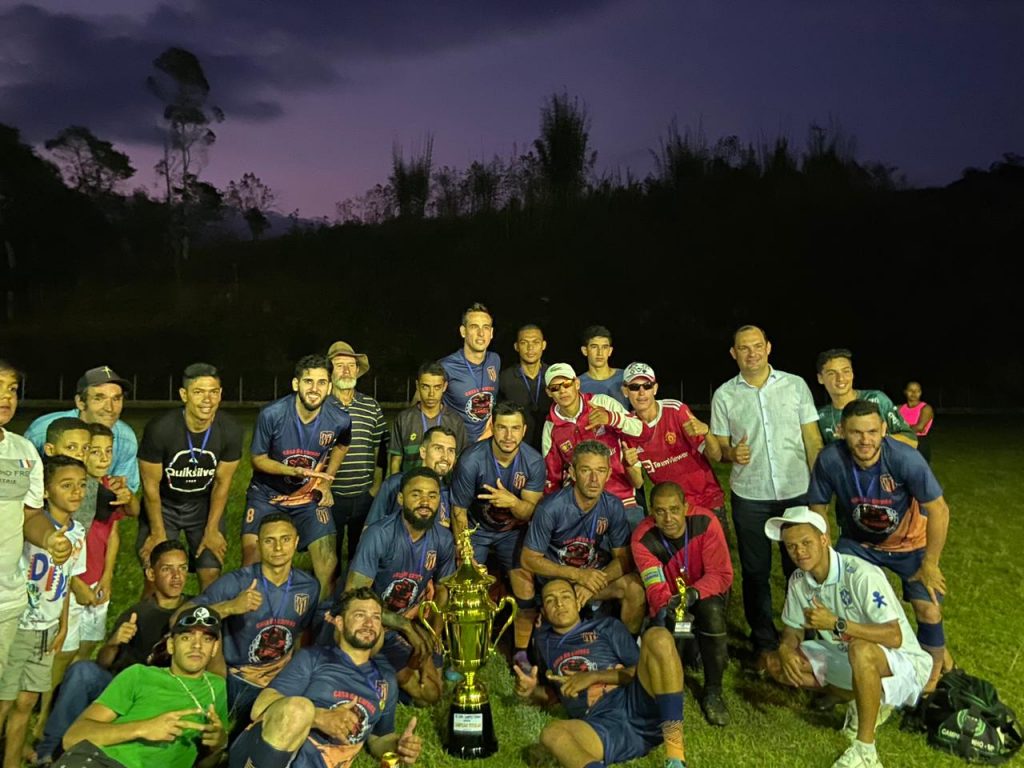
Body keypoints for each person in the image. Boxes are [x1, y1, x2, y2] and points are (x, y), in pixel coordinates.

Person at [762, 507, 932, 768]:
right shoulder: (798, 580)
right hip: (848, 656)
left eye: (806, 543)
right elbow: (793, 629)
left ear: (823, 539)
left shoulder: (861, 574)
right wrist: (786, 648)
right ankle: (864, 700)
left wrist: (836, 623)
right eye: (791, 546)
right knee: (777, 664)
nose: (799, 552)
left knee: (860, 650)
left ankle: (866, 752)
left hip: (903, 665)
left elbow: (894, 636)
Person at [807, 399, 952, 691]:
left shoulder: (905, 458)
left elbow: (939, 509)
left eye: (872, 431)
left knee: (929, 611)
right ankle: (851, 671)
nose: (865, 440)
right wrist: (824, 551)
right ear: (841, 431)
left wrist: (930, 563)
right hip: (858, 544)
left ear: (884, 429)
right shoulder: (830, 459)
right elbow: (817, 507)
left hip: (909, 545)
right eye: (856, 432)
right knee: (842, 602)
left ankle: (932, 679)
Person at [710, 324, 823, 666]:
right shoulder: (724, 395)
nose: (752, 353)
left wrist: (819, 492)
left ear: (768, 347)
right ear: (734, 353)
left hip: (796, 492)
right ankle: (764, 642)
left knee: (801, 568)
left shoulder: (795, 385)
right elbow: (719, 446)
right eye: (744, 348)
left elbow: (813, 440)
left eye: (757, 346)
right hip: (751, 496)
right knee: (756, 572)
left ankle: (806, 635)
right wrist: (731, 454)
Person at [34, 540, 192, 765]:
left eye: (182, 568)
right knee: (82, 671)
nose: (177, 576)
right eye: (167, 569)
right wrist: (114, 643)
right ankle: (50, 751)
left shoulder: (195, 611)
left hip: (161, 695)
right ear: (151, 574)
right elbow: (104, 662)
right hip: (124, 690)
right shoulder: (137, 613)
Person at [228, 587, 422, 768]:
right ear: (340, 623)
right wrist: (319, 717)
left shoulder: (385, 680)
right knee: (299, 708)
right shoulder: (313, 658)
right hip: (266, 757)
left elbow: (379, 739)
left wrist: (398, 745)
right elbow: (260, 707)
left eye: (376, 617)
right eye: (360, 615)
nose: (369, 623)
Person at [514, 578, 686, 768]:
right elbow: (553, 695)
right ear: (544, 612)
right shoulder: (543, 644)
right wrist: (532, 691)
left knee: (658, 637)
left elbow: (642, 671)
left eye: (565, 596)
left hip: (635, 703)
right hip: (599, 724)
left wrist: (593, 676)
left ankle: (676, 757)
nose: (559, 603)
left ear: (578, 603)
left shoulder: (607, 627)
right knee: (551, 734)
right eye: (550, 600)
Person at [182, 513, 320, 731]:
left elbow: (304, 634)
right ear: (258, 544)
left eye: (285, 539)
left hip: (279, 678)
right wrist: (229, 607)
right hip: (238, 677)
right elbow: (180, 617)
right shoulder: (237, 582)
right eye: (269, 540)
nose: (278, 548)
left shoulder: (309, 587)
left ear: (296, 542)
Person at [56, 605, 229, 768]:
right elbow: (73, 737)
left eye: (207, 639)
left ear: (215, 648)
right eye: (186, 637)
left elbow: (205, 762)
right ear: (171, 645)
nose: (197, 645)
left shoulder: (217, 688)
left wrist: (219, 745)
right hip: (100, 761)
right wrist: (143, 728)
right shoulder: (139, 675)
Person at [0, 456, 88, 768]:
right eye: (67, 485)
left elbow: (66, 581)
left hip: (47, 631)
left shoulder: (78, 532)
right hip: (20, 626)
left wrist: (62, 625)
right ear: (46, 491)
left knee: (27, 701)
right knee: (4, 701)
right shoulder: (30, 527)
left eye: (82, 485)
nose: (77, 492)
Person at [243, 354, 351, 597]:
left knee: (328, 562)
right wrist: (291, 471)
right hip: (267, 495)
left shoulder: (340, 419)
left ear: (330, 387)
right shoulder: (272, 414)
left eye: (322, 382)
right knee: (251, 559)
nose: (314, 389)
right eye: (308, 381)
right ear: (296, 384)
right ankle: (256, 613)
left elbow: (342, 446)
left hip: (307, 496)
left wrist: (325, 481)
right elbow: (257, 459)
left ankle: (320, 615)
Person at [345, 467, 455, 705]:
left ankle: (388, 674)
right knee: (417, 687)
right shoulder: (379, 534)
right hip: (371, 621)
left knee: (431, 693)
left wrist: (432, 635)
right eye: (416, 494)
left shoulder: (443, 539)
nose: (425, 502)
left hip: (406, 621)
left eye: (432, 495)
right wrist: (405, 627)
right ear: (401, 498)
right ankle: (375, 673)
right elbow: (353, 597)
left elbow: (444, 591)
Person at [449, 401, 546, 661]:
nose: (508, 435)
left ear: (524, 430)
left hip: (512, 532)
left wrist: (512, 502)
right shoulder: (471, 460)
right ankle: (464, 648)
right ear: (492, 426)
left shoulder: (533, 461)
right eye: (502, 428)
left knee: (526, 588)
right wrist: (464, 552)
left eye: (515, 428)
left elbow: (530, 512)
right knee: (465, 586)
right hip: (476, 529)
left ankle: (521, 652)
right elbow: (458, 511)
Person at [631, 482, 733, 726]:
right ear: (652, 513)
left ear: (686, 507)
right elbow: (655, 586)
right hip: (672, 602)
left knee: (712, 613)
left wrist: (693, 594)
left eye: (674, 510)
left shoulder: (705, 522)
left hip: (704, 595)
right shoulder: (642, 539)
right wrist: (672, 604)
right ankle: (673, 687)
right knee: (675, 626)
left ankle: (713, 691)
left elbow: (720, 574)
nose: (668, 519)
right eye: (660, 511)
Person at [137, 363, 242, 592]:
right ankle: (152, 614)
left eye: (213, 392)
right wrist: (157, 532)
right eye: (199, 392)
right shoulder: (160, 429)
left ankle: (204, 614)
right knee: (157, 574)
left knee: (210, 570)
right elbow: (150, 485)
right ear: (184, 395)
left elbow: (222, 483)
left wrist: (212, 529)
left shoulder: (231, 430)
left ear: (220, 394)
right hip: (164, 504)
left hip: (202, 505)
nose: (207, 400)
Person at [0, 360, 74, 684]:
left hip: (6, 598)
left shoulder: (23, 451)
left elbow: (30, 515)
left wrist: (49, 539)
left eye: (12, 389)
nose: (6, 397)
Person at [522, 441, 645, 634]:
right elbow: (528, 559)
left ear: (609, 474)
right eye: (586, 470)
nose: (594, 479)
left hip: (593, 577)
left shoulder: (613, 506)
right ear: (572, 473)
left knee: (634, 588)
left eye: (600, 471)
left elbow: (624, 558)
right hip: (560, 581)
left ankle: (627, 647)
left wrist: (592, 584)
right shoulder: (551, 508)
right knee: (563, 601)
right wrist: (578, 575)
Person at [619, 362, 727, 531]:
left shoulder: (675, 410)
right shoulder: (629, 427)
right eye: (634, 387)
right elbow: (638, 482)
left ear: (655, 388)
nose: (641, 392)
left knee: (716, 548)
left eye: (647, 386)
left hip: (706, 500)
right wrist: (629, 464)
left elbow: (715, 456)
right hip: (670, 510)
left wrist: (707, 432)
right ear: (625, 391)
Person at [541, 363, 649, 519]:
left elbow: (641, 430)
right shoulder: (550, 426)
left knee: (638, 530)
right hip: (582, 506)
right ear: (548, 392)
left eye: (566, 384)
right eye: (555, 388)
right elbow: (552, 476)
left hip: (622, 498)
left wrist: (610, 418)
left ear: (577, 383)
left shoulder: (602, 402)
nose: (562, 391)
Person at [24, 366, 140, 493]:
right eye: (99, 398)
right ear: (80, 402)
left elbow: (127, 493)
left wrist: (120, 489)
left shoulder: (125, 438)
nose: (110, 408)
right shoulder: (42, 432)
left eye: (116, 399)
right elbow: (22, 485)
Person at [325, 341, 386, 566]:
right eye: (339, 365)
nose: (346, 370)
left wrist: (375, 487)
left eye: (351, 365)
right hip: (330, 497)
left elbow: (380, 447)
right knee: (328, 558)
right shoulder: (321, 406)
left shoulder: (371, 406)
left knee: (360, 557)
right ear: (329, 371)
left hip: (363, 496)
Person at [815, 349, 917, 447]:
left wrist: (875, 439)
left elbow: (912, 441)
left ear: (852, 374)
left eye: (846, 371)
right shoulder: (820, 416)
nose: (840, 378)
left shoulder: (877, 399)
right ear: (820, 378)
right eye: (831, 373)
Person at [366, 426, 458, 529]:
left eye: (451, 450)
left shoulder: (453, 492)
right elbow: (369, 529)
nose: (445, 457)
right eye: (438, 448)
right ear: (423, 452)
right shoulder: (395, 484)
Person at [388, 362, 467, 476]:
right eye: (425, 387)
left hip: (443, 485)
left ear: (444, 387)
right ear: (417, 385)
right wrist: (395, 484)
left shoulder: (455, 421)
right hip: (411, 484)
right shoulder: (404, 419)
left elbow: (458, 461)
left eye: (437, 387)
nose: (431, 394)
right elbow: (395, 461)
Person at [440, 302, 501, 443]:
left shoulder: (495, 360)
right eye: (474, 327)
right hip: (456, 446)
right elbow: (422, 404)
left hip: (487, 442)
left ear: (491, 333)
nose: (481, 333)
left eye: (486, 327)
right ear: (463, 331)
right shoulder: (446, 366)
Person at [498, 324, 552, 453]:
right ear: (516, 347)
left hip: (551, 448)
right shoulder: (505, 378)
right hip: (516, 450)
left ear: (543, 345)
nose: (530, 348)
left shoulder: (553, 376)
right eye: (524, 343)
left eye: (535, 342)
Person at [577, 325, 630, 409]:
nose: (600, 353)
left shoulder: (626, 377)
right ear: (584, 350)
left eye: (604, 347)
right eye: (594, 347)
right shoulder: (577, 385)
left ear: (610, 351)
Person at [899, 381, 935, 463]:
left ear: (920, 392)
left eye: (917, 391)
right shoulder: (899, 408)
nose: (914, 393)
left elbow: (919, 427)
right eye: (910, 390)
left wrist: (899, 429)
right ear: (905, 392)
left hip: (919, 444)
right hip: (901, 444)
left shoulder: (926, 408)